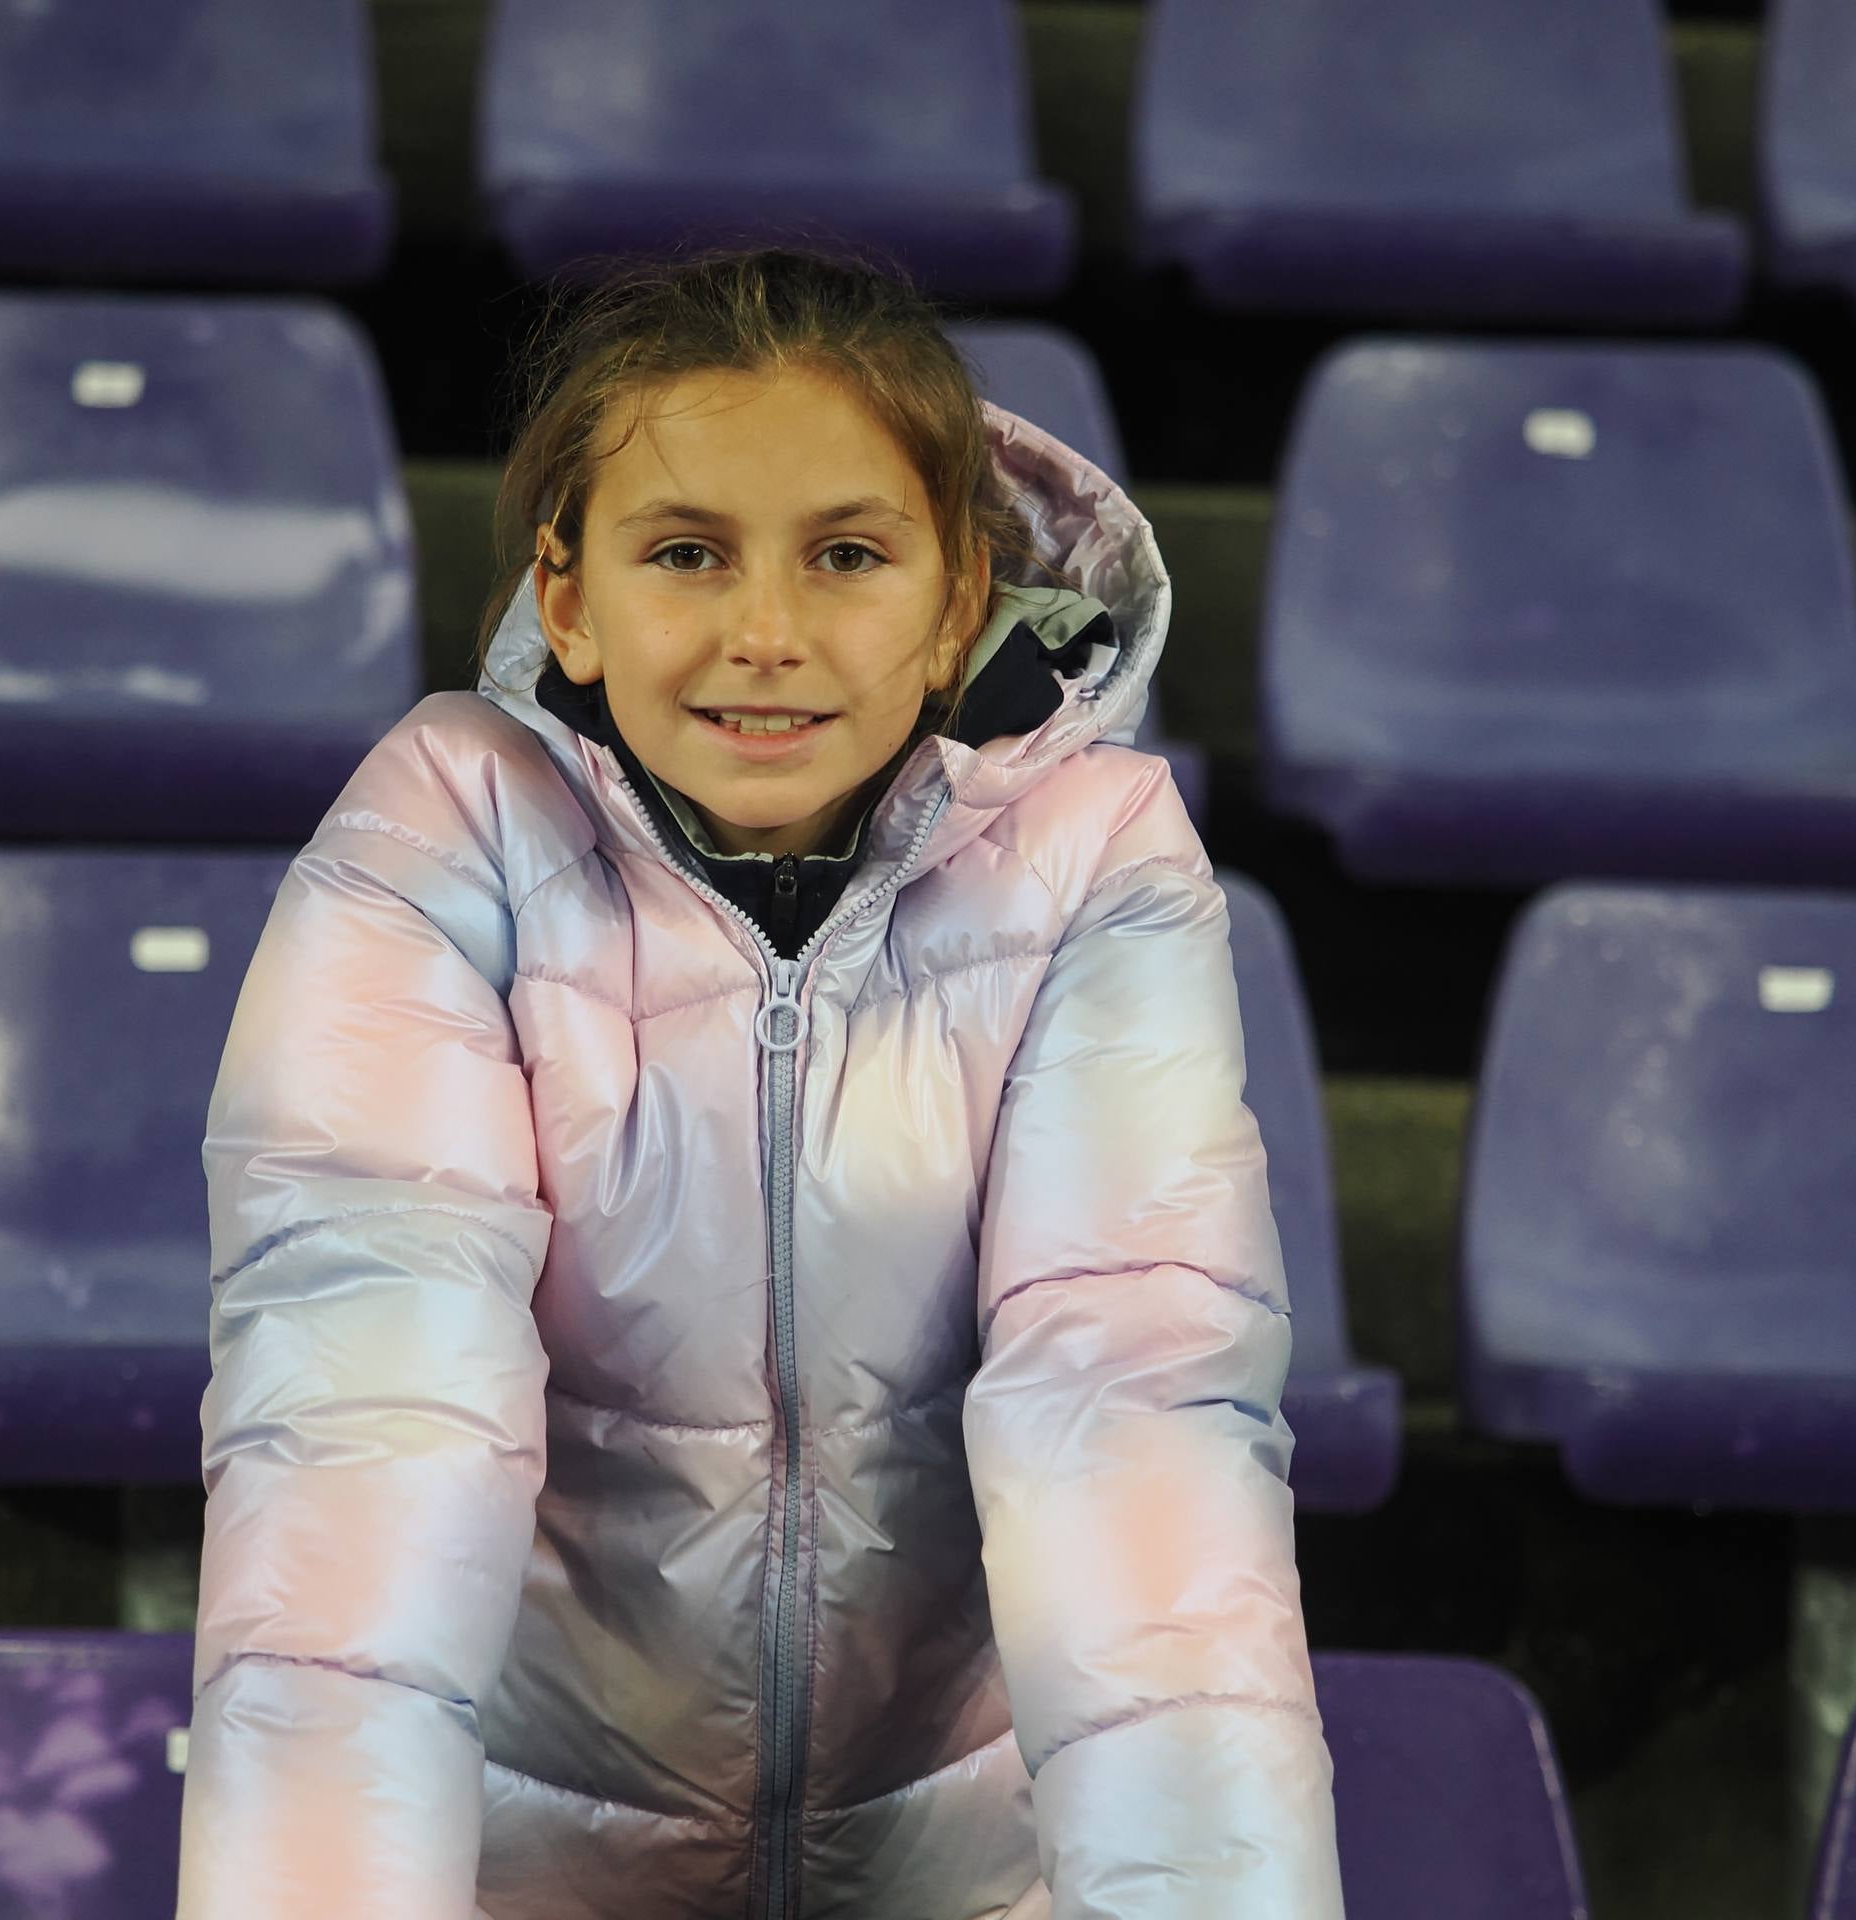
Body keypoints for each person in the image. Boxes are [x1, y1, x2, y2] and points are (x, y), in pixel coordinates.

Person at [176, 247, 1346, 1920]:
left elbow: (1136, 1401)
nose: (768, 634)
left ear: (957, 602)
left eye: (850, 556)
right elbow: (366, 1419)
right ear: (566, 597)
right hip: (535, 1865)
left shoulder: (1100, 860)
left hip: (968, 1870)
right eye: (686, 555)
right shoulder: (440, 838)